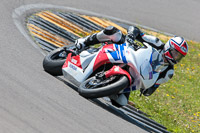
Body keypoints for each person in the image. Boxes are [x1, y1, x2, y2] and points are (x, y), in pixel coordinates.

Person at [75, 26, 189, 107]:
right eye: (175, 53)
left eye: (179, 56)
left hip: (135, 76)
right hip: (128, 53)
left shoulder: (168, 72)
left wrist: (149, 88)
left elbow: (150, 90)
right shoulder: (157, 43)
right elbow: (136, 30)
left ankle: (106, 86)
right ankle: (84, 42)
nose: (176, 58)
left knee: (121, 102)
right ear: (169, 47)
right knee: (114, 32)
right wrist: (131, 36)